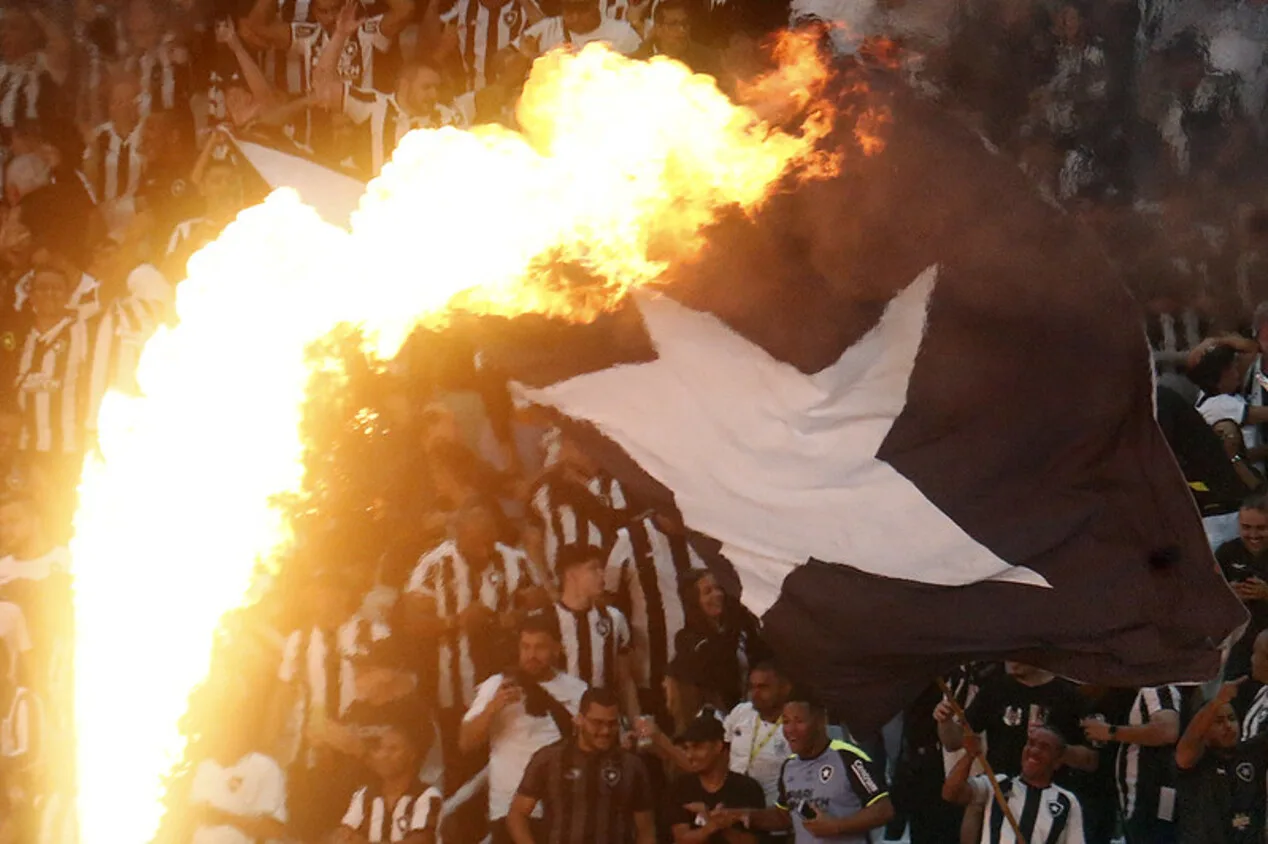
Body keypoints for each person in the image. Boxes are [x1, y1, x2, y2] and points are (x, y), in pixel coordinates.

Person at [459, 611, 587, 844]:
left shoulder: (577, 690)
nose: (531, 655)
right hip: (508, 809)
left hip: (562, 809)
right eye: (525, 647)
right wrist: (492, 708)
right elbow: (466, 742)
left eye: (540, 647)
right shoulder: (497, 685)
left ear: (556, 648)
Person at [314, 4, 465, 177]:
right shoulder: (374, 105)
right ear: (404, 85)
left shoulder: (447, 118)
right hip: (382, 198)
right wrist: (340, 35)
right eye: (426, 87)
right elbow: (323, 87)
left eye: (436, 88)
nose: (434, 95)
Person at [721, 695, 893, 844]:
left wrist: (837, 826)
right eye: (786, 721)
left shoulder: (848, 757)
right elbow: (784, 816)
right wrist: (738, 815)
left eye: (799, 721)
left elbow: (883, 809)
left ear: (820, 721)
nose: (790, 730)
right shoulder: (789, 766)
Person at [508, 686, 654, 844]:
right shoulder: (549, 759)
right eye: (597, 723)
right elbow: (518, 814)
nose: (605, 731)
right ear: (579, 720)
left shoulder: (631, 766)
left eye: (612, 724)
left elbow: (645, 829)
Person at [942, 726, 1086, 844]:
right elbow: (950, 793)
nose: (1034, 751)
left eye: (1044, 747)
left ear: (1057, 762)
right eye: (1031, 743)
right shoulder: (996, 784)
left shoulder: (1067, 801)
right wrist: (969, 755)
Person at [243, 0, 416, 95]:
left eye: (336, 9)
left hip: (362, 120)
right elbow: (256, 26)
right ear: (314, 13)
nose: (332, 17)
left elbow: (406, 9)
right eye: (323, 12)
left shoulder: (366, 30)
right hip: (322, 125)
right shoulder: (309, 36)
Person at [1080, 686, 1180, 843]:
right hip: (1142, 800)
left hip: (1151, 799)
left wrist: (1110, 732)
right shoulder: (1137, 696)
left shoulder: (1156, 689)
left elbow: (1167, 731)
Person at [549, 544, 638, 719]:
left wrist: (636, 722)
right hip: (558, 724)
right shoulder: (547, 619)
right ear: (571, 574)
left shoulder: (614, 618)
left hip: (605, 722)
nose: (601, 575)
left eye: (601, 568)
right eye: (593, 569)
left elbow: (625, 681)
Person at [1175, 678, 1268, 843]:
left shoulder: (1252, 752)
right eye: (1218, 721)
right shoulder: (1195, 761)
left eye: (1232, 718)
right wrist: (1218, 701)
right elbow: (1186, 747)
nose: (1228, 726)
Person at [673, 569, 768, 713]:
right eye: (707, 592)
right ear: (694, 600)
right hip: (719, 715)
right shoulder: (688, 641)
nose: (717, 594)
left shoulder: (742, 625)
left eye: (718, 588)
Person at [336, 722, 442, 844]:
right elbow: (343, 836)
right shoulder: (365, 795)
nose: (384, 755)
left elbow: (421, 841)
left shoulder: (428, 796)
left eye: (393, 749)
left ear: (411, 755)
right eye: (381, 748)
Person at [666, 712, 765, 844]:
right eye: (686, 748)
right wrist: (711, 825)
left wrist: (723, 827)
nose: (689, 755)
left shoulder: (747, 788)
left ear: (718, 746)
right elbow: (681, 839)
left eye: (697, 747)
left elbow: (753, 841)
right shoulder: (681, 787)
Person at [722, 661, 792, 807]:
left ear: (785, 689)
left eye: (763, 687)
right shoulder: (741, 711)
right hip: (730, 803)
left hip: (771, 809)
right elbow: (720, 749)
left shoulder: (793, 725)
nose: (755, 694)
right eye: (752, 687)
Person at [1218, 496, 1268, 679]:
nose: (1253, 535)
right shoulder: (1228, 551)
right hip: (1240, 639)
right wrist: (1228, 595)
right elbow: (1207, 598)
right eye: (1246, 528)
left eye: (1261, 528)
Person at [83, 74, 148, 206]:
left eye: (129, 100)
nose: (124, 106)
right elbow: (88, 177)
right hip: (104, 208)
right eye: (118, 101)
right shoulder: (99, 135)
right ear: (110, 106)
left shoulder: (147, 133)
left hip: (136, 210)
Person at [520, 0, 641, 56]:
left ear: (595, 3)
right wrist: (527, 57)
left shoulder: (623, 34)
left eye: (582, 8)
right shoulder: (545, 29)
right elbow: (505, 64)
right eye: (569, 8)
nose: (576, 16)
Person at [630, 0, 719, 75]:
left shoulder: (706, 59)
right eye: (673, 24)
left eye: (684, 23)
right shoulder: (637, 63)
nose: (682, 29)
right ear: (658, 28)